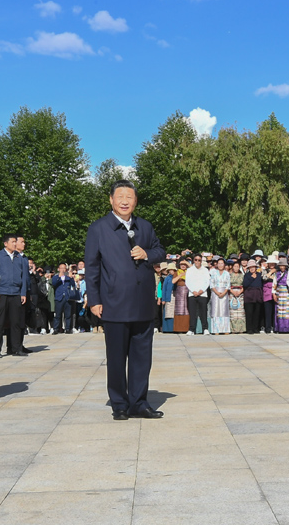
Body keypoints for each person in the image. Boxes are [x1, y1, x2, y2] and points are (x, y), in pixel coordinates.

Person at [84, 180, 166, 421]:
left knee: (142, 357)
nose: (124, 201)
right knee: (117, 357)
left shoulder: (145, 227)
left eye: (129, 197)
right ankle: (119, 402)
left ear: (135, 201)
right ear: (111, 200)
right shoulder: (99, 228)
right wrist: (95, 299)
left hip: (142, 303)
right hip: (114, 302)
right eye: (120, 196)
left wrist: (147, 254)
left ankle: (139, 402)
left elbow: (160, 251)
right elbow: (91, 267)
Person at [0, 234, 28, 358]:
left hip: (16, 293)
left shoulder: (20, 258)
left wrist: (23, 293)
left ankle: (15, 348)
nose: (15, 244)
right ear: (5, 243)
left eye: (15, 242)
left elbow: (24, 277)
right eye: (13, 242)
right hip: (2, 293)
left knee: (15, 322)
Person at [185, 253, 210, 336]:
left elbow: (207, 281)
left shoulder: (205, 270)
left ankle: (205, 329)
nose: (197, 262)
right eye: (196, 260)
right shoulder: (189, 270)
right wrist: (193, 291)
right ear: (193, 260)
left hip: (202, 294)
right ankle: (191, 329)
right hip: (192, 294)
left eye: (199, 260)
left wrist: (201, 290)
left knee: (203, 312)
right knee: (192, 312)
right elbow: (187, 282)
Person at [209, 257, 231, 334]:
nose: (221, 265)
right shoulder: (213, 273)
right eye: (219, 263)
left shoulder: (227, 273)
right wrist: (217, 292)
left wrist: (224, 292)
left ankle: (225, 329)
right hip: (215, 293)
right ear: (216, 265)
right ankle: (216, 330)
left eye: (222, 263)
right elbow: (211, 284)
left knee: (224, 310)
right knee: (216, 310)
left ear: (224, 264)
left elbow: (228, 284)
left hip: (224, 293)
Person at [272, 257, 289, 333]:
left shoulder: (288, 273)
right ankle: (279, 328)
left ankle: (287, 327)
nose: (282, 267)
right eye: (281, 266)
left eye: (283, 266)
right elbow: (274, 284)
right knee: (279, 310)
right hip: (279, 293)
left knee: (287, 311)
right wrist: (274, 294)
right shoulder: (276, 274)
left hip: (287, 293)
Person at [51, 264, 73, 334]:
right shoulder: (55, 277)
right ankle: (56, 328)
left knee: (68, 315)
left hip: (67, 297)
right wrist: (59, 278)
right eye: (61, 268)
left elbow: (73, 285)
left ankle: (68, 328)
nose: (63, 270)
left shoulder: (68, 277)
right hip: (59, 298)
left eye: (64, 268)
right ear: (58, 269)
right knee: (58, 315)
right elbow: (53, 283)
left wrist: (71, 278)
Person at [243, 260, 263, 334]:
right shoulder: (247, 275)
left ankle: (256, 328)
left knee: (257, 313)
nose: (252, 269)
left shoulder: (259, 274)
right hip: (249, 297)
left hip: (258, 296)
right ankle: (249, 329)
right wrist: (252, 278)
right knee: (249, 313)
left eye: (253, 267)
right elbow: (245, 284)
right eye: (250, 267)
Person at [229, 260, 246, 333]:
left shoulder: (242, 275)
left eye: (237, 266)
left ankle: (241, 329)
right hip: (232, 293)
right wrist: (232, 291)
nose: (236, 268)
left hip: (240, 293)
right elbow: (227, 285)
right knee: (233, 312)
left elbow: (245, 285)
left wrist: (240, 292)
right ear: (232, 267)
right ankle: (233, 329)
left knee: (240, 312)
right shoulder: (229, 275)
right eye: (235, 266)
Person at [161, 262, 177, 332]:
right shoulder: (167, 278)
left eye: (172, 270)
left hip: (175, 296)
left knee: (174, 313)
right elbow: (164, 289)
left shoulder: (177, 277)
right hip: (168, 296)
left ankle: (174, 328)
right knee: (168, 312)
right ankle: (167, 329)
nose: (171, 271)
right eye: (170, 270)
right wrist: (163, 299)